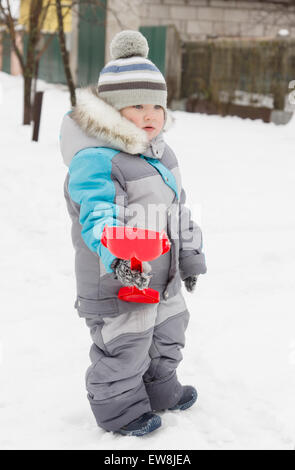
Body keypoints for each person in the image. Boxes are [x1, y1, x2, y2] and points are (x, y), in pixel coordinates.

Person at [60, 30, 207, 437]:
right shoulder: (95, 162)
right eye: (136, 105)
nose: (150, 115)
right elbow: (98, 218)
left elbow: (179, 210)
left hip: (165, 275)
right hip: (119, 277)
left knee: (168, 334)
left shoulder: (162, 155)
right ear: (110, 111)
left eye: (156, 105)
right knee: (125, 345)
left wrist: (191, 255)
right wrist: (122, 259)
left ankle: (160, 390)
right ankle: (120, 411)